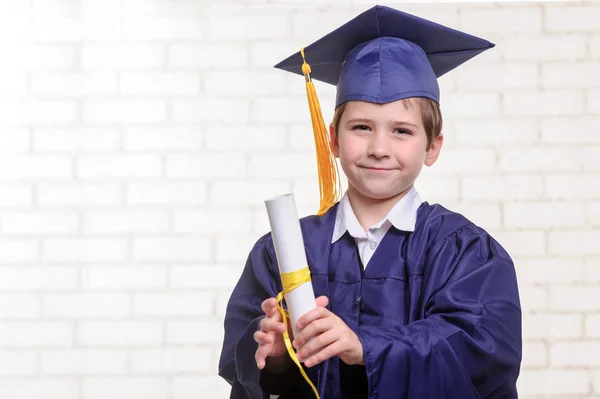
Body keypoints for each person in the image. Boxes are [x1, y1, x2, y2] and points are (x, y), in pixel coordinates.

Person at [218, 5, 522, 399]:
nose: (379, 148)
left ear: (433, 146)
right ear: (333, 140)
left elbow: (481, 350)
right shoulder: (284, 250)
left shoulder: (464, 251)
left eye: (401, 131)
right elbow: (242, 359)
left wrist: (366, 347)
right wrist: (277, 358)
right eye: (361, 127)